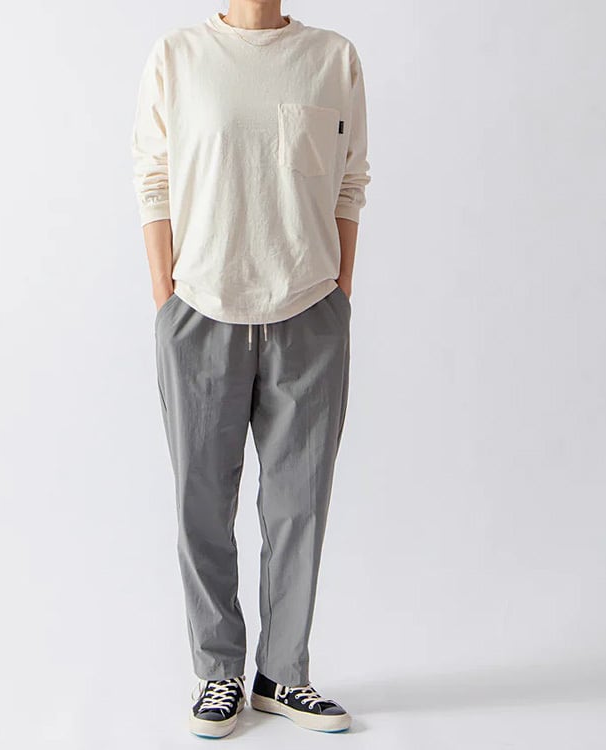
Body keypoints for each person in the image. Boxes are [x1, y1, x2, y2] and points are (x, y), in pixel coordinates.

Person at [131, 1, 370, 738]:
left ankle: (283, 675)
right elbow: (153, 179)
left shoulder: (333, 57)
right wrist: (167, 298)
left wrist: (338, 291)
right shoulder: (178, 56)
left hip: (309, 311)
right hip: (200, 308)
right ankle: (218, 672)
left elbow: (350, 181)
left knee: (300, 506)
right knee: (201, 503)